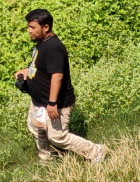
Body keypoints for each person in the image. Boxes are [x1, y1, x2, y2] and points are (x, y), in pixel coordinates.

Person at [14, 9, 107, 162]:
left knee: (58, 136)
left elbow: (57, 76)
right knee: (37, 128)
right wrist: (25, 72)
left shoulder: (53, 47)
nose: (29, 31)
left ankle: (96, 151)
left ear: (46, 27)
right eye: (28, 27)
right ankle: (47, 158)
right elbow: (41, 67)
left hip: (56, 103)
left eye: (32, 27)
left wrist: (52, 103)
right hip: (40, 101)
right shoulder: (42, 43)